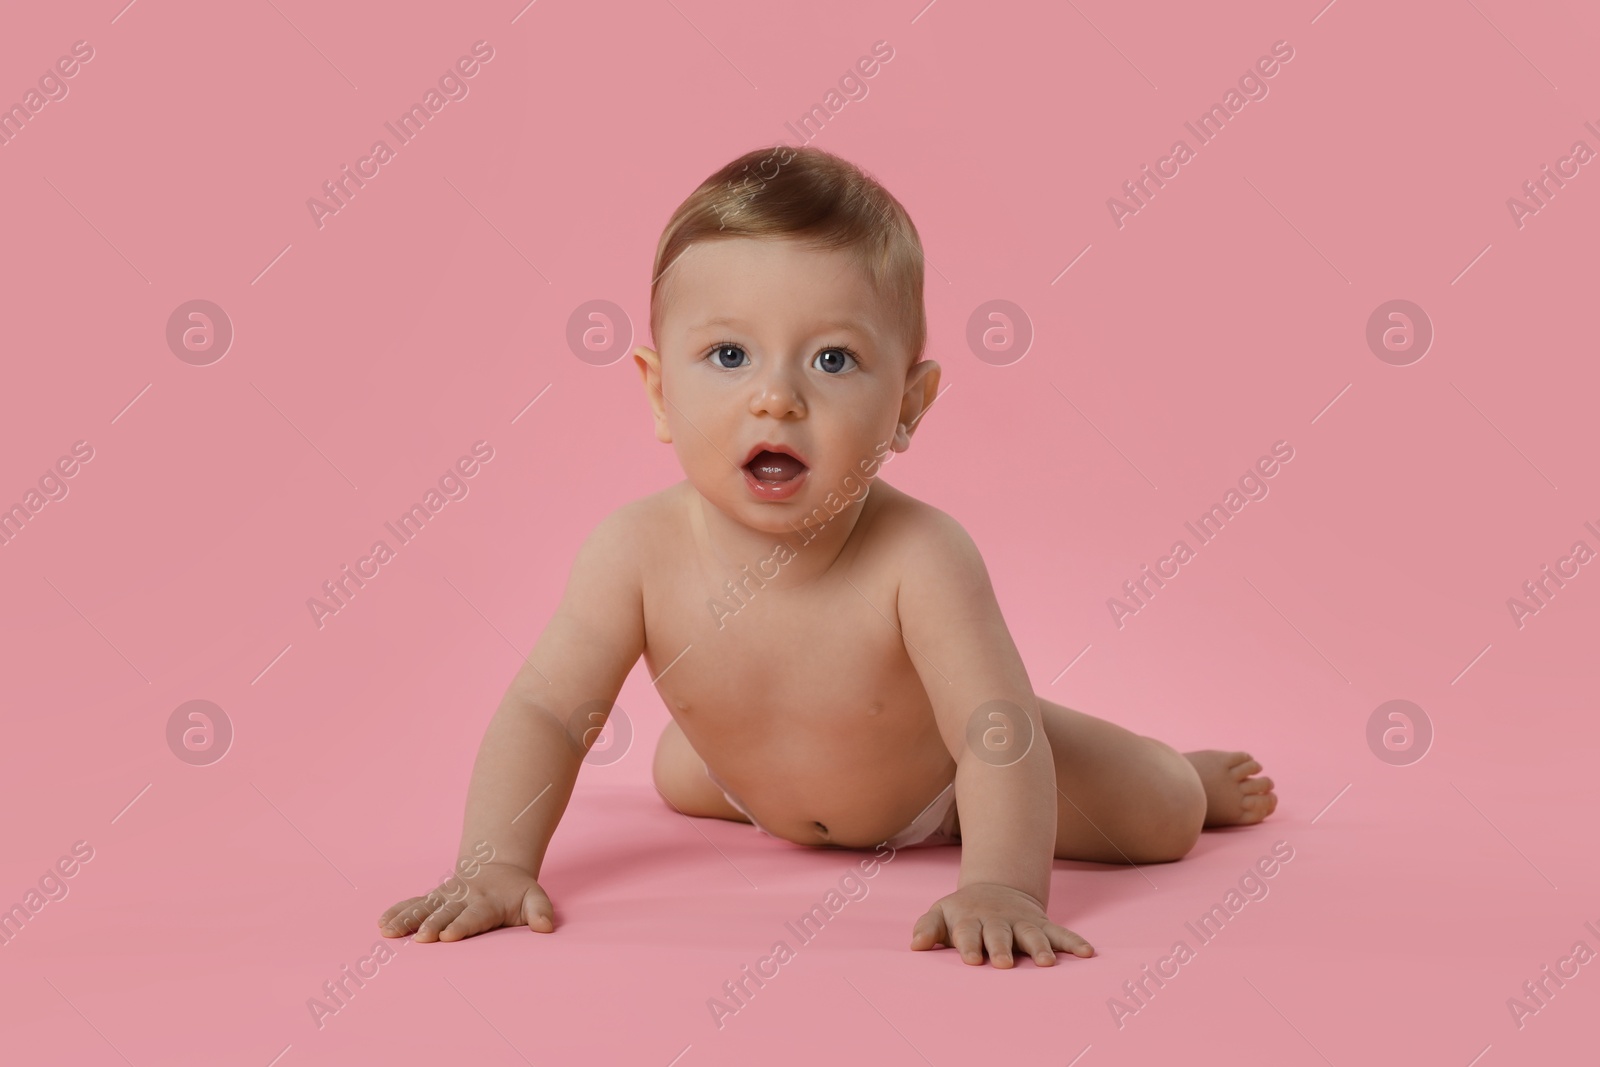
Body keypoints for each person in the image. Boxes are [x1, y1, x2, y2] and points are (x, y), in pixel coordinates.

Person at [379, 144, 1277, 968]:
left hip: (943, 784)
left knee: (1162, 812)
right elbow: (545, 710)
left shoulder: (920, 555)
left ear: (908, 406)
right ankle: (759, 780)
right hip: (750, 784)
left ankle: (1183, 769)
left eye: (835, 361)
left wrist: (1001, 883)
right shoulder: (633, 552)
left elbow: (992, 731)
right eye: (728, 354)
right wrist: (494, 862)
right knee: (676, 771)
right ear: (659, 392)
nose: (776, 397)